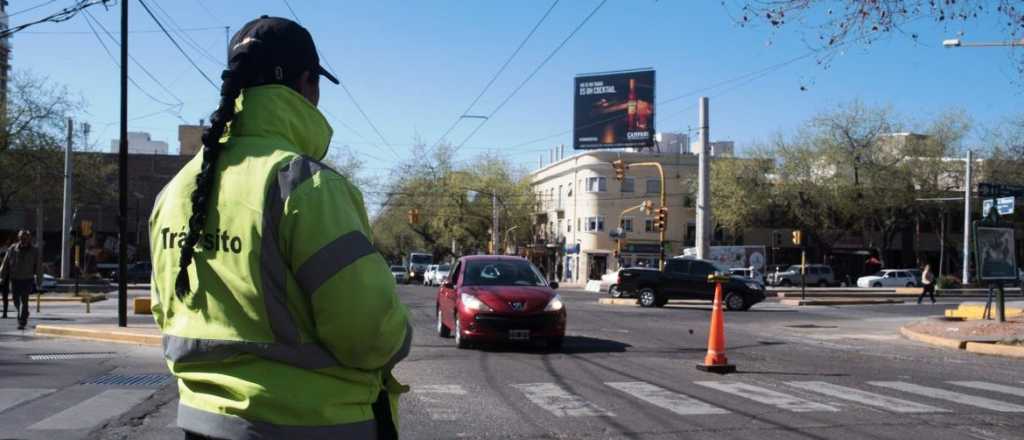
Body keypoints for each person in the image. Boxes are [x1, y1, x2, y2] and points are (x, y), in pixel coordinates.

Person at [149, 16, 411, 440]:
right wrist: (401, 332)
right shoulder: (306, 185)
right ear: (309, 84)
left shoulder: (175, 191)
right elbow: (368, 335)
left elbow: (166, 310)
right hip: (313, 426)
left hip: (201, 422)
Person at [0, 230, 42, 329]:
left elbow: (38, 266)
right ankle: (24, 312)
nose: (23, 239)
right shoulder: (12, 249)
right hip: (15, 279)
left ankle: (22, 321)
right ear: (19, 238)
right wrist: (1, 276)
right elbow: (5, 263)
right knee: (15, 300)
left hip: (27, 279)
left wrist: (39, 280)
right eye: (22, 237)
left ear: (29, 238)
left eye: (25, 237)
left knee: (24, 300)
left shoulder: (34, 251)